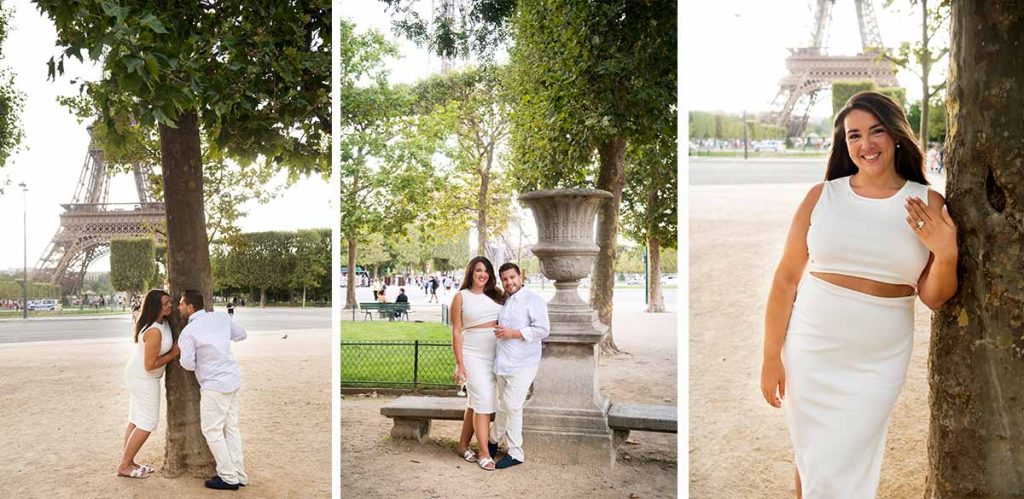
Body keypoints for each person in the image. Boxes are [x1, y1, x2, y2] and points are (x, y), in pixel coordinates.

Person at [760, 91, 958, 497]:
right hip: (812, 350)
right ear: (843, 143)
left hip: (878, 361)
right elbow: (785, 279)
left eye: (876, 132)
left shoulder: (926, 202)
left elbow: (934, 297)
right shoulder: (822, 196)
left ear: (896, 135)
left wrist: (947, 254)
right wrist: (770, 357)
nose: (865, 145)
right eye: (854, 136)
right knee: (813, 459)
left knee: (846, 460)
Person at [178, 289, 249, 490]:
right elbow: (241, 334)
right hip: (232, 378)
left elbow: (188, 364)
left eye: (181, 304)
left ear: (190, 307)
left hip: (213, 384)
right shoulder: (220, 318)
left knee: (212, 430)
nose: (179, 307)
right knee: (231, 427)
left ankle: (228, 477)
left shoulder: (189, 332)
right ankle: (239, 474)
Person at [488, 262, 549, 469]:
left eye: (512, 277)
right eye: (505, 279)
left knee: (512, 406)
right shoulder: (506, 301)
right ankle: (493, 441)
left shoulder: (534, 300)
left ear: (520, 276)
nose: (509, 282)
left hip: (524, 363)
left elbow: (543, 329)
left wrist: (513, 333)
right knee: (505, 406)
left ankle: (515, 452)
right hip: (503, 363)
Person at [450, 257, 505, 471]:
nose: (482, 274)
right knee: (483, 401)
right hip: (472, 354)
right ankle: (484, 452)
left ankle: (463, 446)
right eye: (478, 270)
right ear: (471, 273)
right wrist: (459, 364)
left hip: (496, 355)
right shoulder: (460, 297)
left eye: (486, 271)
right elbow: (456, 331)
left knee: (475, 403)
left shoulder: (498, 296)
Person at [118, 289, 180, 478]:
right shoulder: (154, 330)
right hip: (143, 377)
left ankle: (129, 461)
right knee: (148, 420)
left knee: (136, 418)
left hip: (141, 375)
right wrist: (173, 353)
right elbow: (149, 364)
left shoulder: (163, 322)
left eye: (169, 302)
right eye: (166, 303)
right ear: (156, 307)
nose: (170, 306)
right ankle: (124, 466)